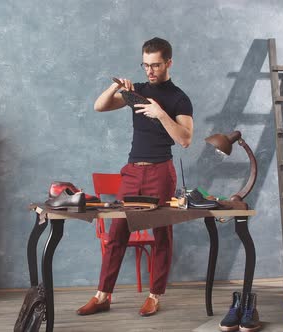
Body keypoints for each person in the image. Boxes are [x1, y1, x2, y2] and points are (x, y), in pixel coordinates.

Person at [77, 37, 194, 317]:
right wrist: (116, 86)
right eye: (145, 65)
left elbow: (185, 140)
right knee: (117, 232)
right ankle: (102, 295)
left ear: (168, 63)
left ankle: (154, 296)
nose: (150, 71)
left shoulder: (179, 98)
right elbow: (99, 106)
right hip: (132, 171)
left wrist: (160, 113)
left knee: (161, 235)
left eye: (155, 65)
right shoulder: (137, 91)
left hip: (160, 172)